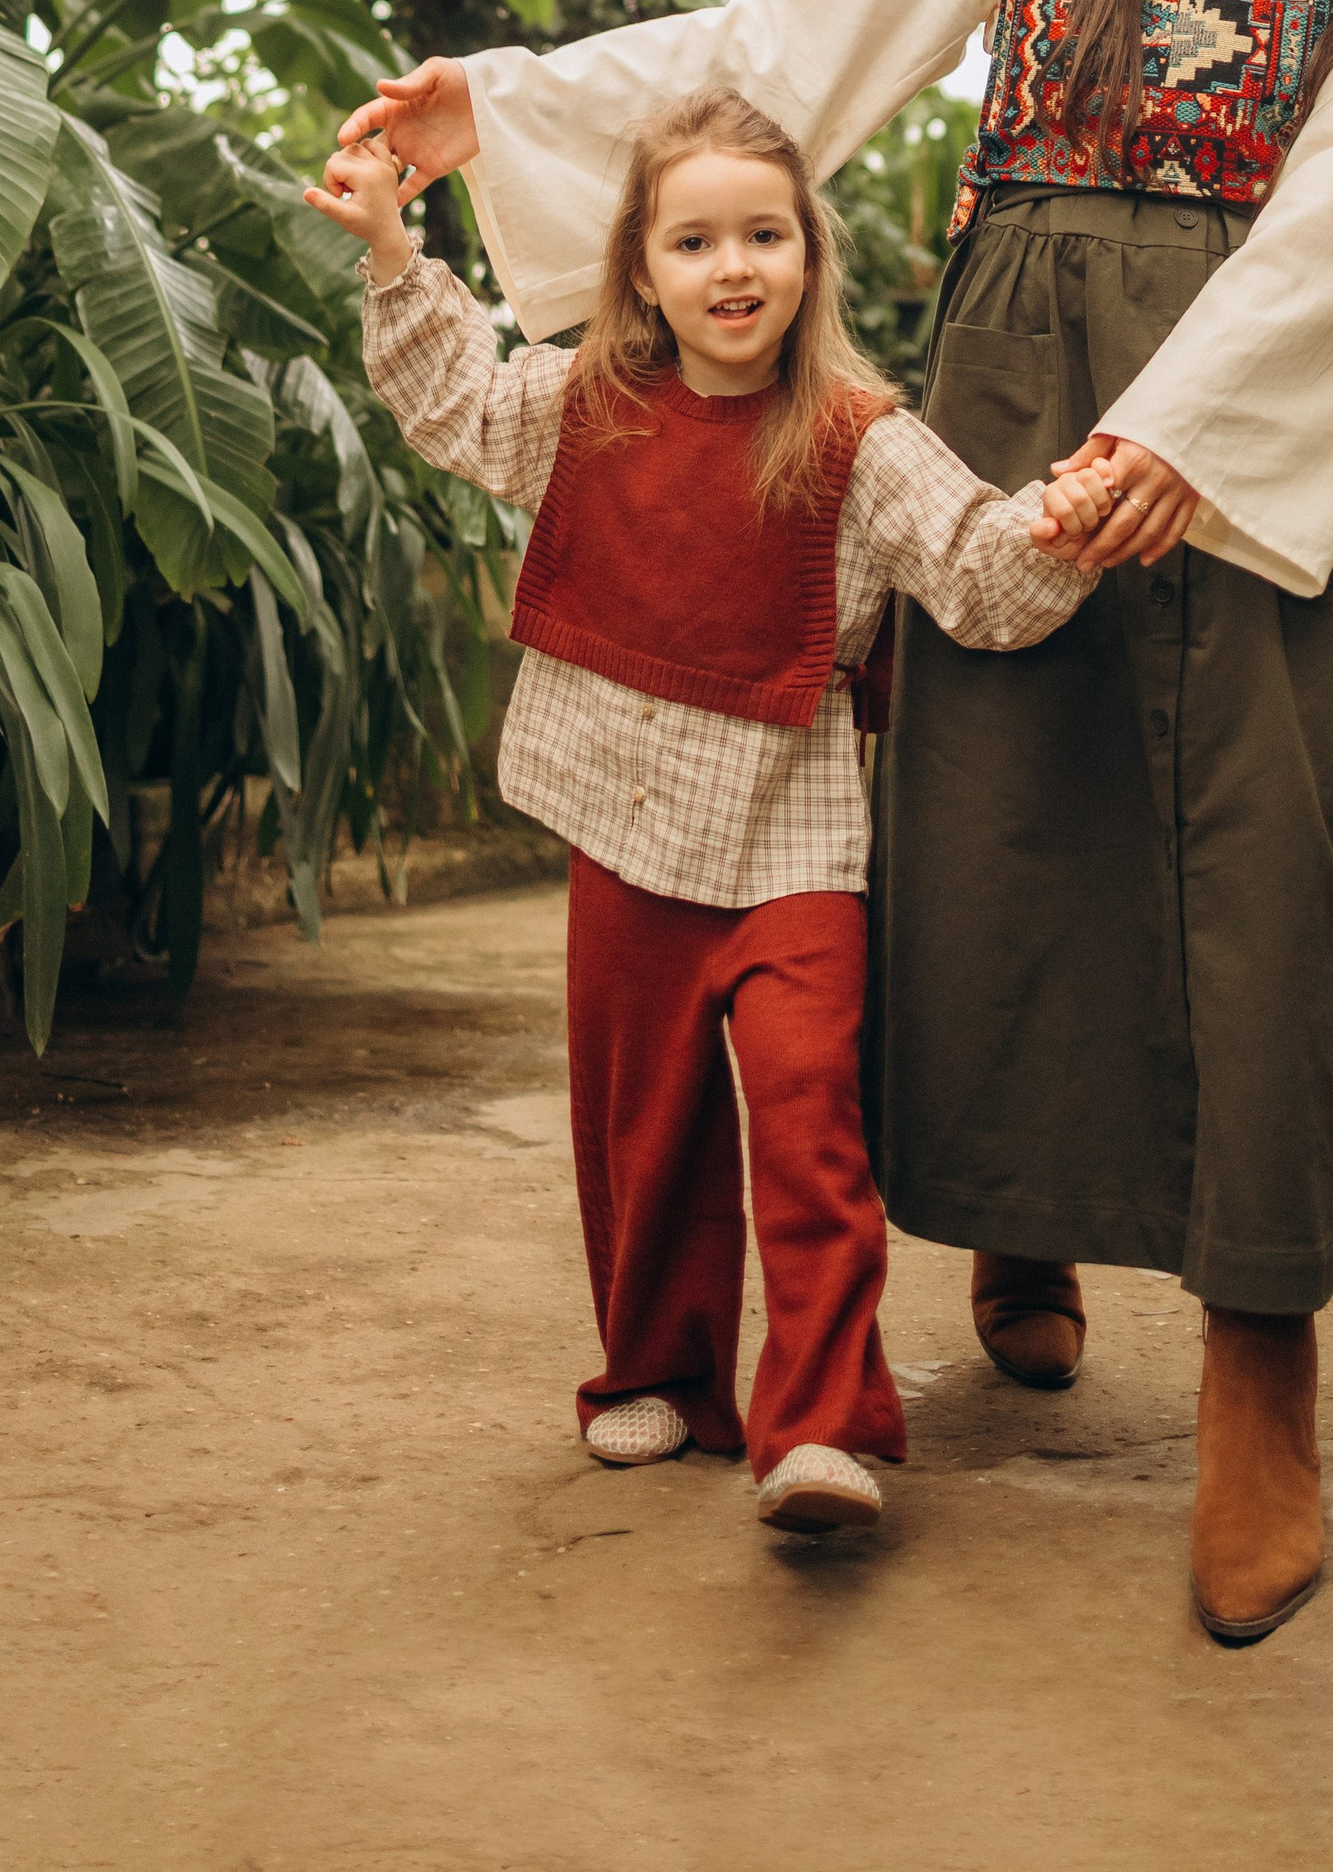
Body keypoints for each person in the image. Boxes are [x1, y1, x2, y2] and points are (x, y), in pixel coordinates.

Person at [331, 0, 1333, 1644]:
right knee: (981, 820)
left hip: (1239, 400)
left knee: (1256, 855)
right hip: (1013, 363)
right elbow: (798, 39)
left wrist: (1188, 426)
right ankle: (1014, 1223)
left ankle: (1257, 1357)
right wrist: (494, 103)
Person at [308, 87, 1115, 1537]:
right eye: (694, 241)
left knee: (810, 1124)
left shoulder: (865, 439)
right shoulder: (579, 402)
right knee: (645, 1129)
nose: (731, 266)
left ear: (809, 253)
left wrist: (1064, 517)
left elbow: (979, 573)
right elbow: (454, 406)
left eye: (763, 233)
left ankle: (818, 1425)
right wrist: (391, 253)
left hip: (795, 847)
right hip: (621, 829)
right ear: (640, 269)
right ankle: (663, 1374)